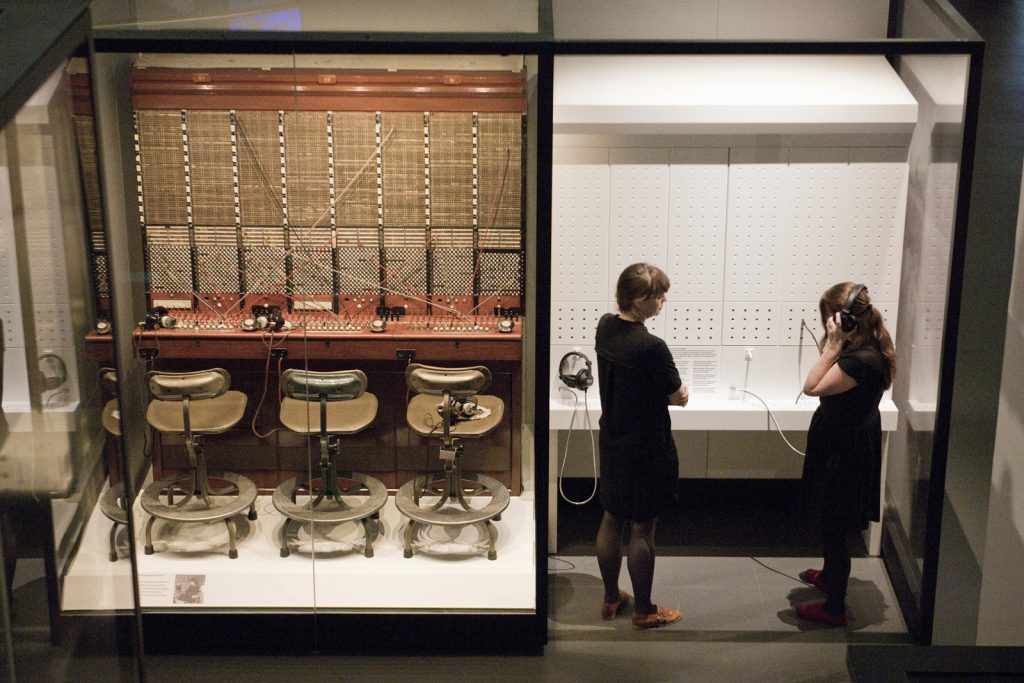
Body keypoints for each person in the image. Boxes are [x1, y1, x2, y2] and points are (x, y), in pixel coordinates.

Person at [594, 263, 689, 629]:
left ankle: (610, 598)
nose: (663, 301)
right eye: (658, 295)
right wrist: (679, 395)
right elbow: (675, 394)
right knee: (642, 529)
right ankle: (645, 610)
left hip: (614, 440)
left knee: (611, 517)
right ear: (638, 300)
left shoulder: (605, 326)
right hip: (647, 448)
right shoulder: (652, 346)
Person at [796, 282, 896, 626]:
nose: (826, 326)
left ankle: (834, 607)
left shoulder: (860, 361)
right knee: (831, 521)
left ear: (845, 321)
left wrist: (832, 347)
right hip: (843, 444)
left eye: (830, 320)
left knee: (834, 526)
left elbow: (811, 387)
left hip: (844, 453)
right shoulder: (868, 348)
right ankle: (828, 576)